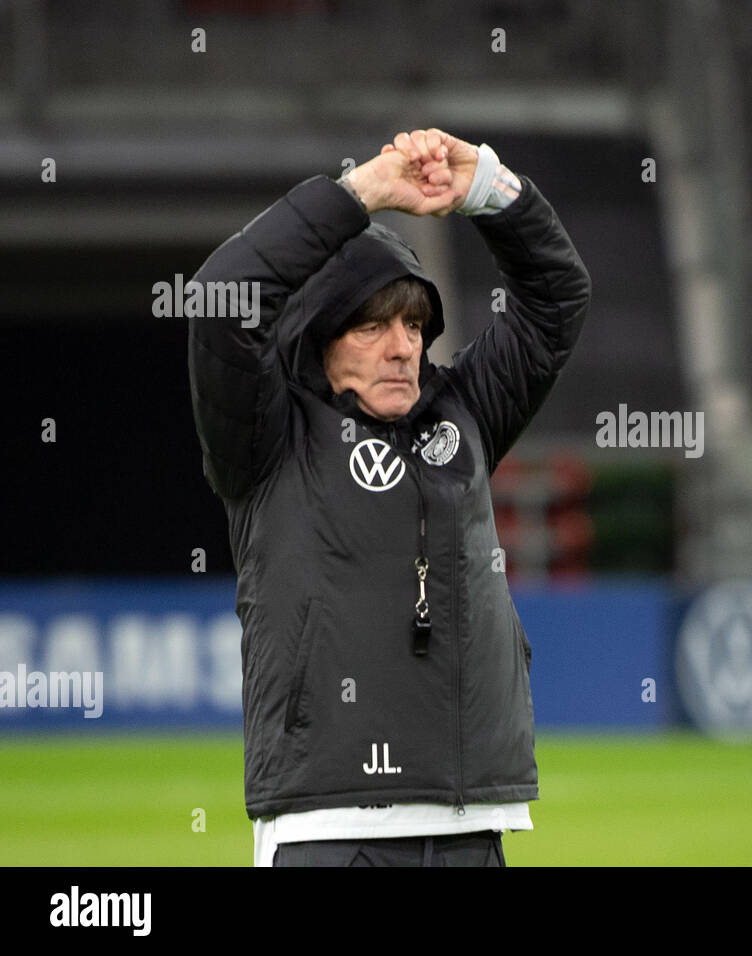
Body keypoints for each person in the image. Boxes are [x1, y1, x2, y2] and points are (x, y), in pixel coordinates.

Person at [186, 127, 591, 866]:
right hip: (327, 827)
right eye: (371, 325)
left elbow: (557, 301)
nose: (403, 345)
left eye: (413, 323)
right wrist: (361, 193)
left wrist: (488, 190)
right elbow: (219, 301)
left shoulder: (465, 412)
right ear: (317, 338)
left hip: (472, 820)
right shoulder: (266, 440)